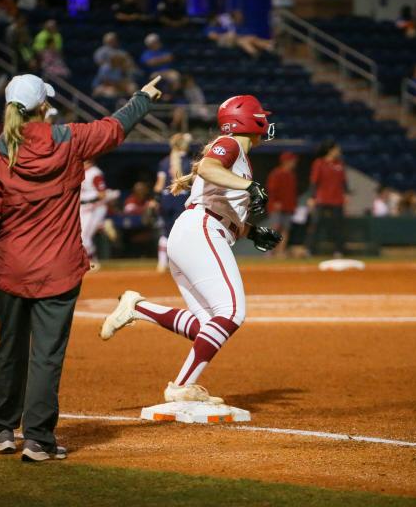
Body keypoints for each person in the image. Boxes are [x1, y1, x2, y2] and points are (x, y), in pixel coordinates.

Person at [0, 73, 162, 462]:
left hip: (12, 268)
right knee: (46, 356)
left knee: (10, 350)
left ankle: (2, 429)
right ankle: (37, 440)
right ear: (43, 106)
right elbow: (115, 128)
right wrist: (143, 97)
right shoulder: (69, 138)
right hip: (59, 269)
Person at [99, 95, 281, 404]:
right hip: (201, 230)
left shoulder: (236, 156)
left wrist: (251, 232)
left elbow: (219, 203)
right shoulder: (232, 144)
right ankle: (181, 385)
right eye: (261, 116)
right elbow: (210, 168)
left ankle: (138, 307)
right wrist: (249, 187)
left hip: (194, 230)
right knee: (232, 313)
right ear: (251, 120)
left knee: (208, 325)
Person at [152, 132, 192, 273]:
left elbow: (159, 185)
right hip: (181, 199)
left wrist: (155, 200)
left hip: (166, 199)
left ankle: (162, 264)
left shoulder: (164, 162)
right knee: (181, 233)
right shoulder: (190, 162)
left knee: (165, 232)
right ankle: (180, 264)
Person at [309, 140, 348, 257]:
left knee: (338, 226)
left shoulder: (340, 164)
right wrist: (312, 197)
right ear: (330, 150)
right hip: (322, 199)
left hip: (337, 200)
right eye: (337, 149)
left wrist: (346, 195)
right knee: (316, 224)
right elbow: (314, 182)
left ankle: (339, 250)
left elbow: (344, 182)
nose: (339, 151)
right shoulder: (319, 163)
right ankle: (310, 250)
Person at [80, 159, 117, 271]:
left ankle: (92, 262)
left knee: (84, 237)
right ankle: (102, 226)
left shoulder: (94, 173)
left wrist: (90, 199)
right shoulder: (78, 171)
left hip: (94, 207)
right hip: (83, 207)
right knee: (79, 236)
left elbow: (102, 194)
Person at [266, 151, 298, 256]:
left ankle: (280, 252)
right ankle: (270, 252)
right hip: (277, 207)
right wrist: (275, 201)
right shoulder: (276, 173)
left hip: (288, 206)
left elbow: (293, 192)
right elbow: (271, 190)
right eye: (292, 161)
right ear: (286, 161)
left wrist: (293, 205)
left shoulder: (291, 175)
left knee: (285, 230)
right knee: (275, 228)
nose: (294, 163)